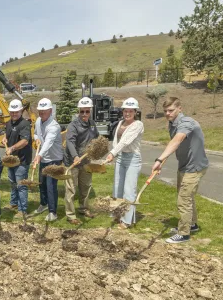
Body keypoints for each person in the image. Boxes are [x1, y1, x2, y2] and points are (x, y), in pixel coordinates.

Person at [151, 97, 209, 244]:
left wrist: (158, 159)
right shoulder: (172, 124)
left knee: (183, 200)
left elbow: (177, 140)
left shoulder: (186, 123)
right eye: (165, 111)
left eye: (171, 110)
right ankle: (192, 225)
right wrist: (161, 162)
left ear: (179, 109)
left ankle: (184, 234)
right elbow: (174, 145)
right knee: (186, 197)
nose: (168, 114)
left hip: (194, 167)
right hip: (184, 166)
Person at [104, 97, 144, 229]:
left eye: (130, 111)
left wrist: (112, 153)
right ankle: (117, 214)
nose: (127, 114)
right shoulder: (121, 123)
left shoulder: (138, 125)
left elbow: (125, 141)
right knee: (117, 188)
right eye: (125, 111)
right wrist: (115, 154)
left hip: (132, 159)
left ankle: (127, 221)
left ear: (135, 112)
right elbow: (116, 140)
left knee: (129, 190)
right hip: (121, 157)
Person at [64, 97, 100, 225]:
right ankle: (70, 215)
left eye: (87, 111)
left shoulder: (92, 124)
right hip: (72, 161)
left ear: (90, 111)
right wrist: (75, 156)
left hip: (86, 161)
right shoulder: (73, 125)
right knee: (71, 189)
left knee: (85, 187)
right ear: (78, 111)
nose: (84, 114)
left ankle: (83, 209)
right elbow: (70, 141)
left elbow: (96, 139)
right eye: (82, 111)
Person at [33, 98, 64, 222]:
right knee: (42, 183)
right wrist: (36, 139)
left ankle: (53, 212)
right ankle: (44, 203)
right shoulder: (38, 121)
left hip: (54, 159)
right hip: (44, 157)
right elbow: (36, 133)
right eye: (40, 111)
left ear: (50, 111)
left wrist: (39, 155)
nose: (42, 113)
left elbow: (48, 143)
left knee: (51, 185)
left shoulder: (54, 126)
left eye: (44, 111)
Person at [2, 99, 32, 218]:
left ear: (21, 111)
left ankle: (22, 209)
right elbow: (8, 134)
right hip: (11, 160)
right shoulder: (9, 123)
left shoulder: (24, 124)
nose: (14, 114)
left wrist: (12, 148)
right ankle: (14, 203)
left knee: (21, 184)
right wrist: (5, 138)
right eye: (12, 112)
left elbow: (25, 141)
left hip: (22, 160)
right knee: (13, 183)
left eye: (16, 112)